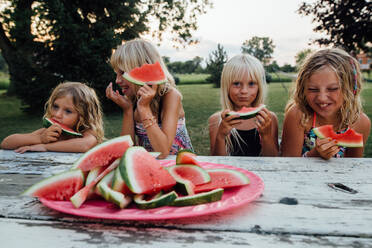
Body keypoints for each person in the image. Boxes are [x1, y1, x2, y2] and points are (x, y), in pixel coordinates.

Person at [105, 38, 193, 158]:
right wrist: (127, 109)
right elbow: (126, 150)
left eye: (123, 73)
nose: (117, 80)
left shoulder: (170, 96)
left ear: (142, 68)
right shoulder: (133, 98)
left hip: (179, 164)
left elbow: (163, 152)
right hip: (150, 165)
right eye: (116, 73)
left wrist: (144, 108)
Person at [281, 48, 370, 159]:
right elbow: (288, 166)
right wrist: (315, 155)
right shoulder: (298, 115)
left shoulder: (361, 123)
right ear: (303, 89)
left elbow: (352, 167)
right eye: (313, 89)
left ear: (350, 88)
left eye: (332, 89)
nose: (322, 98)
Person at [1, 82, 104, 153]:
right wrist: (40, 138)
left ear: (84, 116)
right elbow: (6, 143)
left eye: (68, 111)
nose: (57, 114)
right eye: (55, 107)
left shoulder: (88, 132)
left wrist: (45, 147)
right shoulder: (50, 132)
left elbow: (85, 145)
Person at [208, 54, 279, 156]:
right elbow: (218, 162)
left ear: (259, 86)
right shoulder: (216, 120)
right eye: (236, 83)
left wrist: (266, 136)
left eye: (251, 84)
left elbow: (273, 160)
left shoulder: (269, 118)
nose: (244, 91)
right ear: (226, 86)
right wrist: (221, 136)